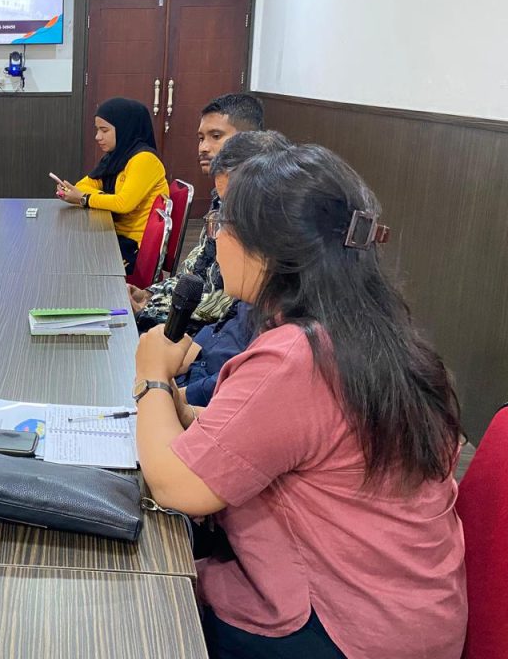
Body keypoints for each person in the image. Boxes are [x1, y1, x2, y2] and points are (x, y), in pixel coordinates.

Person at [133, 144, 465, 658]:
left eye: (224, 223)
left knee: (141, 604)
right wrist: (187, 413)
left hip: (341, 631)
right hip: (409, 618)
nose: (215, 237)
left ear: (269, 249)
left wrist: (152, 377)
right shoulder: (378, 334)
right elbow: (307, 443)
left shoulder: (297, 356)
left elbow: (177, 487)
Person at [172, 131, 291, 409]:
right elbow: (222, 325)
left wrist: (161, 390)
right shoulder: (254, 287)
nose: (217, 235)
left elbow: (236, 385)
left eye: (229, 217)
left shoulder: (287, 327)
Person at [131, 93, 264, 333]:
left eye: (216, 136)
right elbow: (196, 270)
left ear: (249, 140)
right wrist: (150, 294)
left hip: (219, 334)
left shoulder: (259, 210)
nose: (203, 147)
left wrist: (151, 308)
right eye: (201, 138)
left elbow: (226, 303)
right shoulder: (221, 199)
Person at [54, 98, 169, 275]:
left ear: (125, 129)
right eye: (97, 129)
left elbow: (123, 204)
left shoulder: (144, 160)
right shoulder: (116, 157)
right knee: (68, 250)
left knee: (73, 261)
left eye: (104, 130)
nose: (97, 137)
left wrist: (84, 198)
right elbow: (82, 185)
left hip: (135, 249)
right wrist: (103, 198)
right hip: (115, 236)